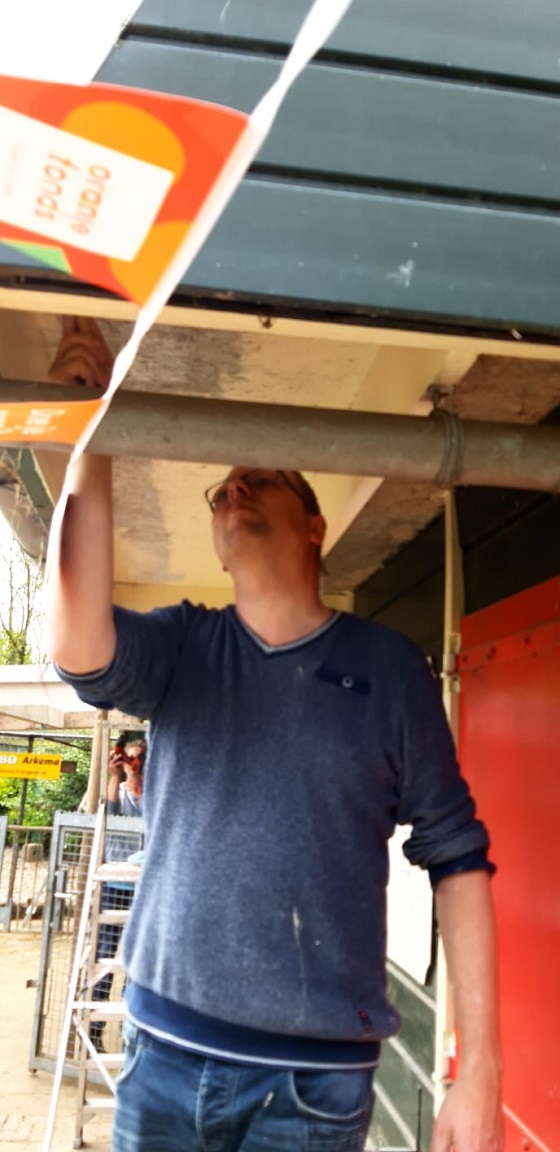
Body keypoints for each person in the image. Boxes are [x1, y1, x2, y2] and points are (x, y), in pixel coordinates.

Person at [46, 317, 503, 1152]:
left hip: (313, 1085)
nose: (236, 491)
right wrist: (92, 434)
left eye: (262, 479)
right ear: (217, 546)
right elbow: (77, 641)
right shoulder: (184, 645)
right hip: (164, 1054)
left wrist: (481, 1072)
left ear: (315, 525)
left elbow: (458, 858)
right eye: (222, 490)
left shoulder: (391, 670)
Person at [90, 736, 145, 1053]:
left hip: (144, 887)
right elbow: (110, 814)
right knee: (105, 956)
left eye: (139, 758)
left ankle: (130, 1030)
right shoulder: (118, 791)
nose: (133, 762)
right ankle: (94, 1030)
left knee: (136, 959)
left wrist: (137, 779)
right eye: (129, 757)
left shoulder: (153, 793)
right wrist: (115, 777)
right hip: (115, 885)